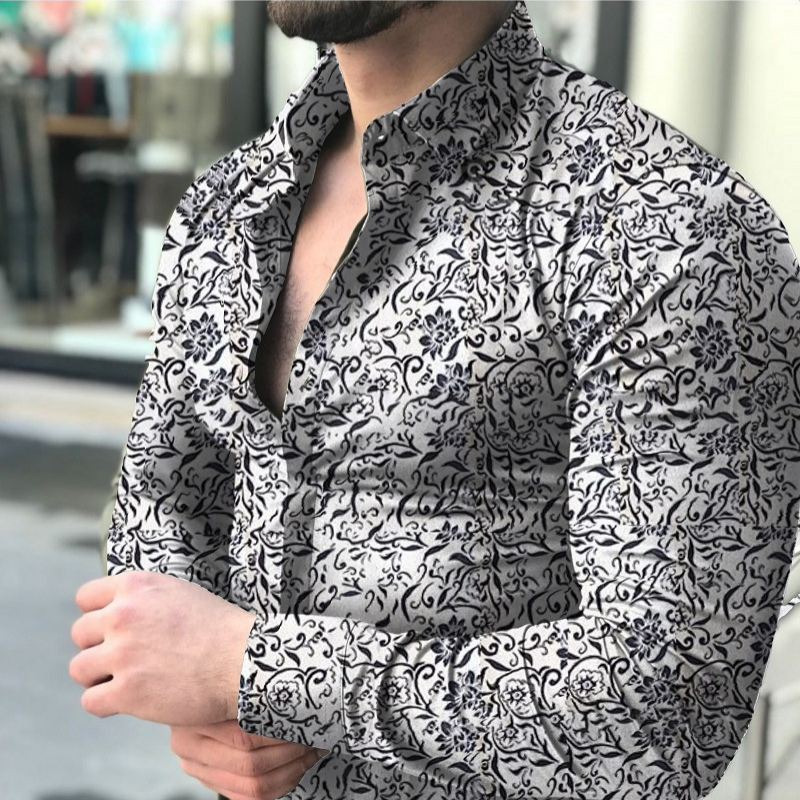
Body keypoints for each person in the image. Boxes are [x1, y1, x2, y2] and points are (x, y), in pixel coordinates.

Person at [70, 2, 800, 799]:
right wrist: (203, 693)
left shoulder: (666, 227)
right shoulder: (227, 205)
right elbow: (163, 497)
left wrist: (252, 670)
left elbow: (668, 711)